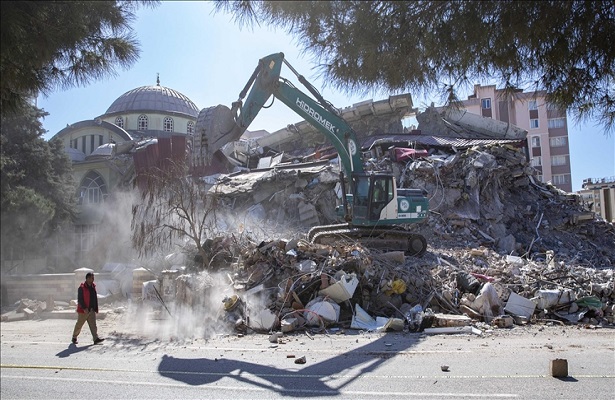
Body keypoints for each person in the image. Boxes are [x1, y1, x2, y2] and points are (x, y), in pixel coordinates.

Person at [71, 272, 104, 345]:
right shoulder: (81, 288)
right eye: (92, 277)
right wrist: (84, 308)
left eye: (93, 277)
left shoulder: (93, 287)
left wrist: (95, 308)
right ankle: (74, 337)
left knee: (93, 325)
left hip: (91, 310)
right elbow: (80, 299)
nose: (93, 279)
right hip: (84, 311)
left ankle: (95, 339)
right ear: (88, 278)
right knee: (79, 324)